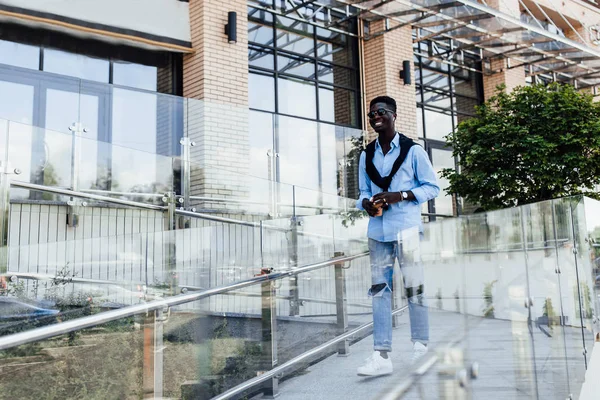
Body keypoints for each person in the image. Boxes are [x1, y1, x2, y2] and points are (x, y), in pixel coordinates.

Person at [356, 96, 440, 376]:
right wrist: (365, 203)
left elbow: (432, 188)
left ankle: (420, 347)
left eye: (381, 112)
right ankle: (381, 355)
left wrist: (401, 195)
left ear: (394, 115)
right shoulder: (365, 155)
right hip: (378, 233)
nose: (375, 116)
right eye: (371, 114)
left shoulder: (413, 151)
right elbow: (362, 192)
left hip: (408, 232)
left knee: (415, 288)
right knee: (379, 293)